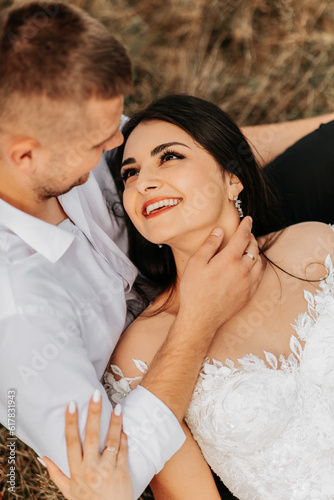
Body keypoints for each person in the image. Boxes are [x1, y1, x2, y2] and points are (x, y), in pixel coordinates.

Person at [1, 2, 334, 499]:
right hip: (167, 378)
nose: (117, 144)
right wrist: (197, 316)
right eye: (120, 164)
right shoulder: (17, 313)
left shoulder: (310, 242)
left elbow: (193, 139)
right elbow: (111, 476)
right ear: (25, 157)